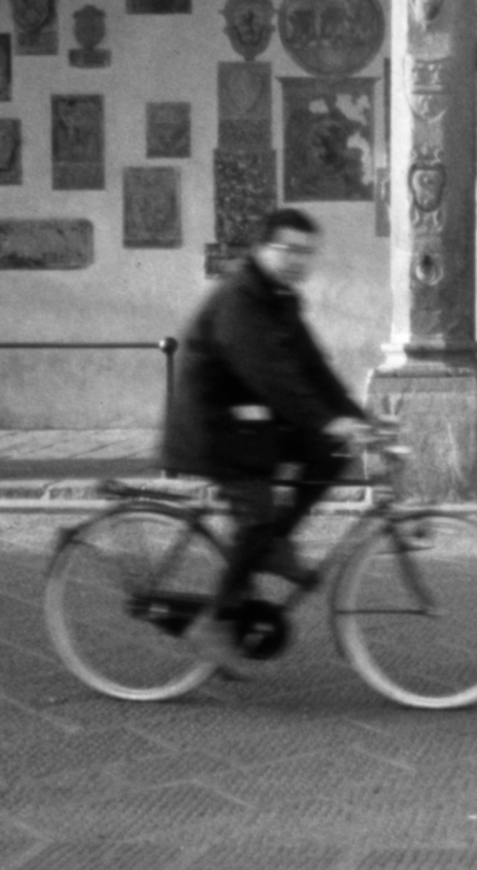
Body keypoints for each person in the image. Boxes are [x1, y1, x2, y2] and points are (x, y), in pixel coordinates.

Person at [161, 205, 369, 675]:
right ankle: (214, 622)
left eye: (307, 253)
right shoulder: (241, 300)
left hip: (251, 426)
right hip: (214, 429)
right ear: (261, 249)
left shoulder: (280, 299)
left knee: (330, 451)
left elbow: (315, 371)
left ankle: (275, 544)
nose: (298, 260)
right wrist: (325, 420)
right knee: (256, 520)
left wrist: (359, 421)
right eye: (288, 250)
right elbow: (271, 377)